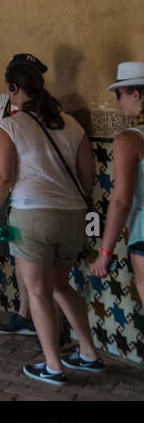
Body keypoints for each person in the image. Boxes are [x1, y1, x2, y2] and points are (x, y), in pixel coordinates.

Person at [0, 59, 103, 385]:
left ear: (13, 89)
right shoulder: (71, 124)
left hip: (32, 215)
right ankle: (89, 353)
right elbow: (88, 174)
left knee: (37, 292)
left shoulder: (9, 126)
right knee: (62, 286)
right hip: (74, 215)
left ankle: (53, 365)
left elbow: (3, 176)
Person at [0, 53, 50, 336]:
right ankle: (25, 314)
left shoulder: (49, 110)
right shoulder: (0, 105)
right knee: (17, 253)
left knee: (41, 264)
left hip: (32, 196)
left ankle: (47, 327)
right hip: (13, 193)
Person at [90, 63, 144, 306]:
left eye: (119, 94)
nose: (119, 101)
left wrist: (105, 252)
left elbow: (121, 200)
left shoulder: (129, 139)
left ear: (136, 94)